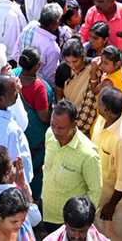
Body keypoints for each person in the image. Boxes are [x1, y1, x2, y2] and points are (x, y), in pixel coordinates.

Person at [40, 100, 102, 234]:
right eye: (53, 125)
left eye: (61, 128)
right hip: (48, 211)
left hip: (70, 223)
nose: (56, 131)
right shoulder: (50, 134)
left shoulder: (88, 154)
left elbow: (95, 190)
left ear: (74, 125)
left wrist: (82, 224)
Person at [92, 88, 122, 241]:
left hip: (117, 203)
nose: (96, 103)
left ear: (105, 109)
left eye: (99, 102)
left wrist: (111, 205)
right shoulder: (101, 120)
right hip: (100, 194)